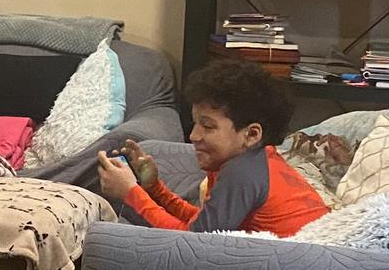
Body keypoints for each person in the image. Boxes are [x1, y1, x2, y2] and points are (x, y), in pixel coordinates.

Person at [93, 59, 326, 236]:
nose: (194, 136)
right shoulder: (256, 159)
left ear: (251, 134)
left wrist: (130, 193)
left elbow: (193, 240)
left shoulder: (242, 173)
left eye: (207, 126)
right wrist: (154, 188)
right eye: (195, 123)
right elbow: (202, 223)